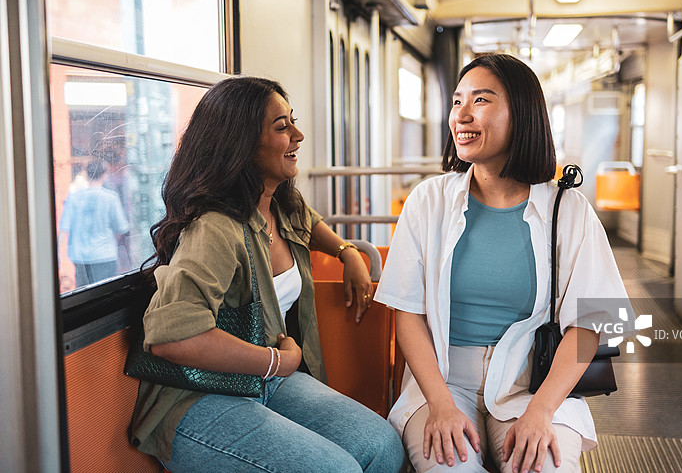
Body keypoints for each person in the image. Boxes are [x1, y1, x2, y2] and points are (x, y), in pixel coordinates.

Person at [128, 76, 405, 473]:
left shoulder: (278, 202)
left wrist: (349, 254)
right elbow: (172, 337)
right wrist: (277, 362)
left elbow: (308, 224)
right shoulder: (215, 228)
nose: (299, 134)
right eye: (282, 127)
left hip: (263, 380)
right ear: (240, 144)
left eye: (293, 121)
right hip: (198, 396)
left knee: (382, 447)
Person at [375, 54, 633, 473]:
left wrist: (542, 411)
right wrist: (440, 405)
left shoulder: (568, 210)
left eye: (481, 100)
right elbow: (407, 313)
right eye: (457, 102)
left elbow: (589, 323)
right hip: (440, 381)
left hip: (533, 384)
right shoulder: (429, 201)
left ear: (523, 115)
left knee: (543, 467)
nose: (462, 114)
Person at [58, 159, 129, 289]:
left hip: (80, 257)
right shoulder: (110, 198)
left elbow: (64, 227)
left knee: (83, 297)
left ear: (87, 174)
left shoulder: (73, 197)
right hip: (104, 255)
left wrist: (57, 254)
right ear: (104, 175)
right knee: (105, 295)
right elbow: (122, 227)